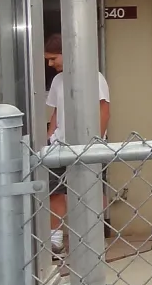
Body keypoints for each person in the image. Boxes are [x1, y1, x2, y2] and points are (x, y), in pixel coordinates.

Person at [44, 33, 111, 256]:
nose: (50, 63)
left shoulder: (94, 77)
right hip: (59, 146)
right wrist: (50, 136)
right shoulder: (57, 81)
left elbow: (103, 109)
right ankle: (55, 240)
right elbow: (55, 112)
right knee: (55, 190)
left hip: (87, 145)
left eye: (53, 58)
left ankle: (92, 236)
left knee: (90, 190)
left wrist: (96, 142)